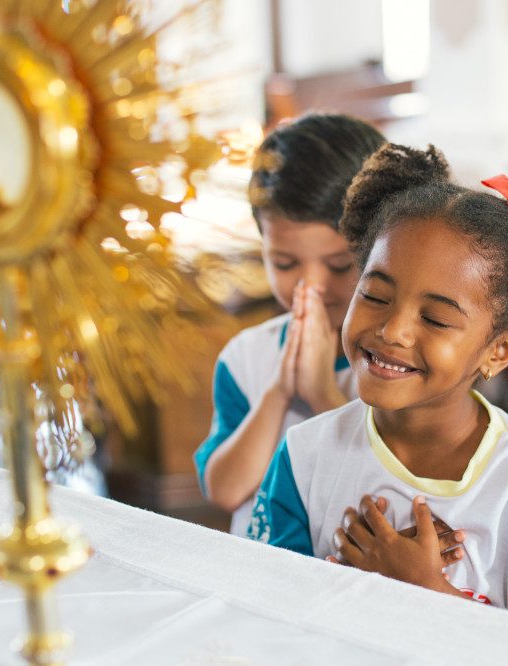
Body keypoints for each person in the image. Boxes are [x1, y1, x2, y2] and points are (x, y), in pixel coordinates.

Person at [249, 143, 508, 630]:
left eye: (435, 319)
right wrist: (357, 582)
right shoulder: (305, 457)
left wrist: (429, 591)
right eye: (375, 295)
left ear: (500, 350)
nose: (393, 331)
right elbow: (264, 611)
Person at [194, 114, 386, 535]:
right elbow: (225, 491)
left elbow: (390, 488)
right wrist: (279, 390)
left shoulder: (396, 360)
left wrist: (321, 393)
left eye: (339, 265)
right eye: (284, 263)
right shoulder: (246, 357)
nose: (310, 286)